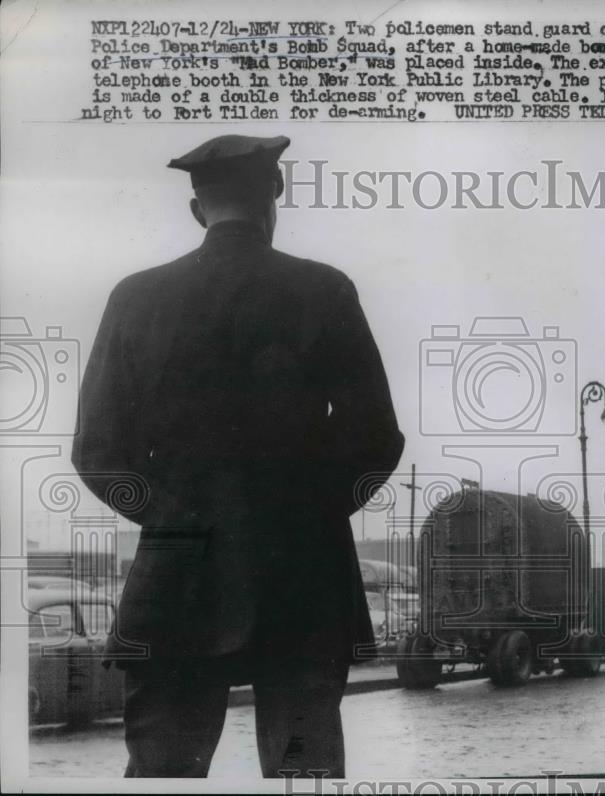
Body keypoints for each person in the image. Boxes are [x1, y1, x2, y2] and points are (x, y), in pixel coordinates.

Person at [72, 135, 405, 778]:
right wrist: (308, 512)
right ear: (274, 196)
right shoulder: (325, 291)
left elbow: (97, 451)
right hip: (302, 580)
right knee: (302, 774)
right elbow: (377, 438)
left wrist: (173, 519)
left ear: (198, 210)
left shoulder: (135, 297)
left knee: (163, 773)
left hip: (176, 583)